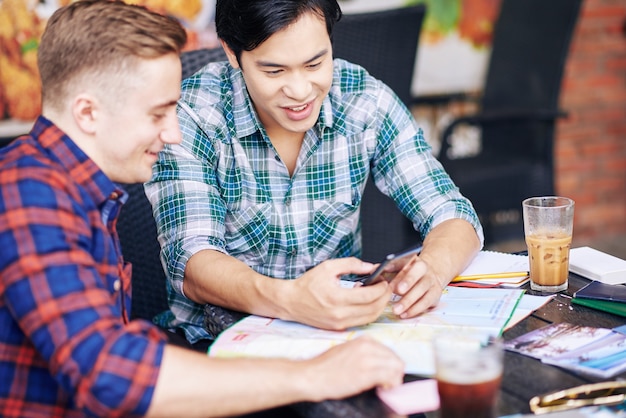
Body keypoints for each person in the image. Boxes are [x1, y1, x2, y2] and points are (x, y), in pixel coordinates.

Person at [0, 1, 405, 417]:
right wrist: (312, 376)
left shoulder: (72, 190)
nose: (173, 132)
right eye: (158, 113)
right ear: (87, 112)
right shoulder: (29, 197)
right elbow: (110, 375)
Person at [145, 0, 484, 346]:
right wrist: (291, 300)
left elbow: (453, 214)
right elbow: (193, 263)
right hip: (217, 343)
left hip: (339, 337)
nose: (301, 91)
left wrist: (433, 269)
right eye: (274, 71)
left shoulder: (362, 99)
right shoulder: (193, 116)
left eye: (315, 63)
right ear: (232, 54)